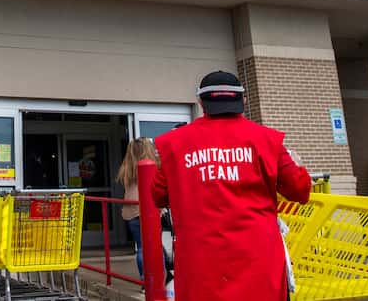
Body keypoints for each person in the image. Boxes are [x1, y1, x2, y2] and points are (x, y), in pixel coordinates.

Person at [152, 70, 311, 301]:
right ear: (243, 100)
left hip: (200, 261)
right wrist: (300, 167)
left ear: (201, 102)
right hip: (259, 259)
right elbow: (299, 191)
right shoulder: (268, 140)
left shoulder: (174, 144)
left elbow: (157, 196)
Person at [116, 137, 159, 278]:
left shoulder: (126, 168)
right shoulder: (153, 165)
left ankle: (144, 279)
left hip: (131, 212)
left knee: (141, 247)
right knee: (154, 247)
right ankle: (159, 278)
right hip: (149, 209)